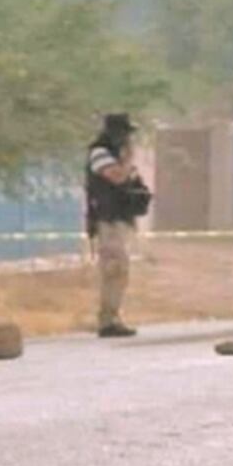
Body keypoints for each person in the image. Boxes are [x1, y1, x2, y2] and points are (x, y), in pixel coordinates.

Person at [86, 113, 152, 338]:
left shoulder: (116, 155)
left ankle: (112, 316)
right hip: (108, 220)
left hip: (120, 219)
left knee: (120, 270)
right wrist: (128, 160)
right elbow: (117, 177)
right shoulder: (100, 153)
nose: (128, 139)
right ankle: (107, 321)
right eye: (125, 134)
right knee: (114, 269)